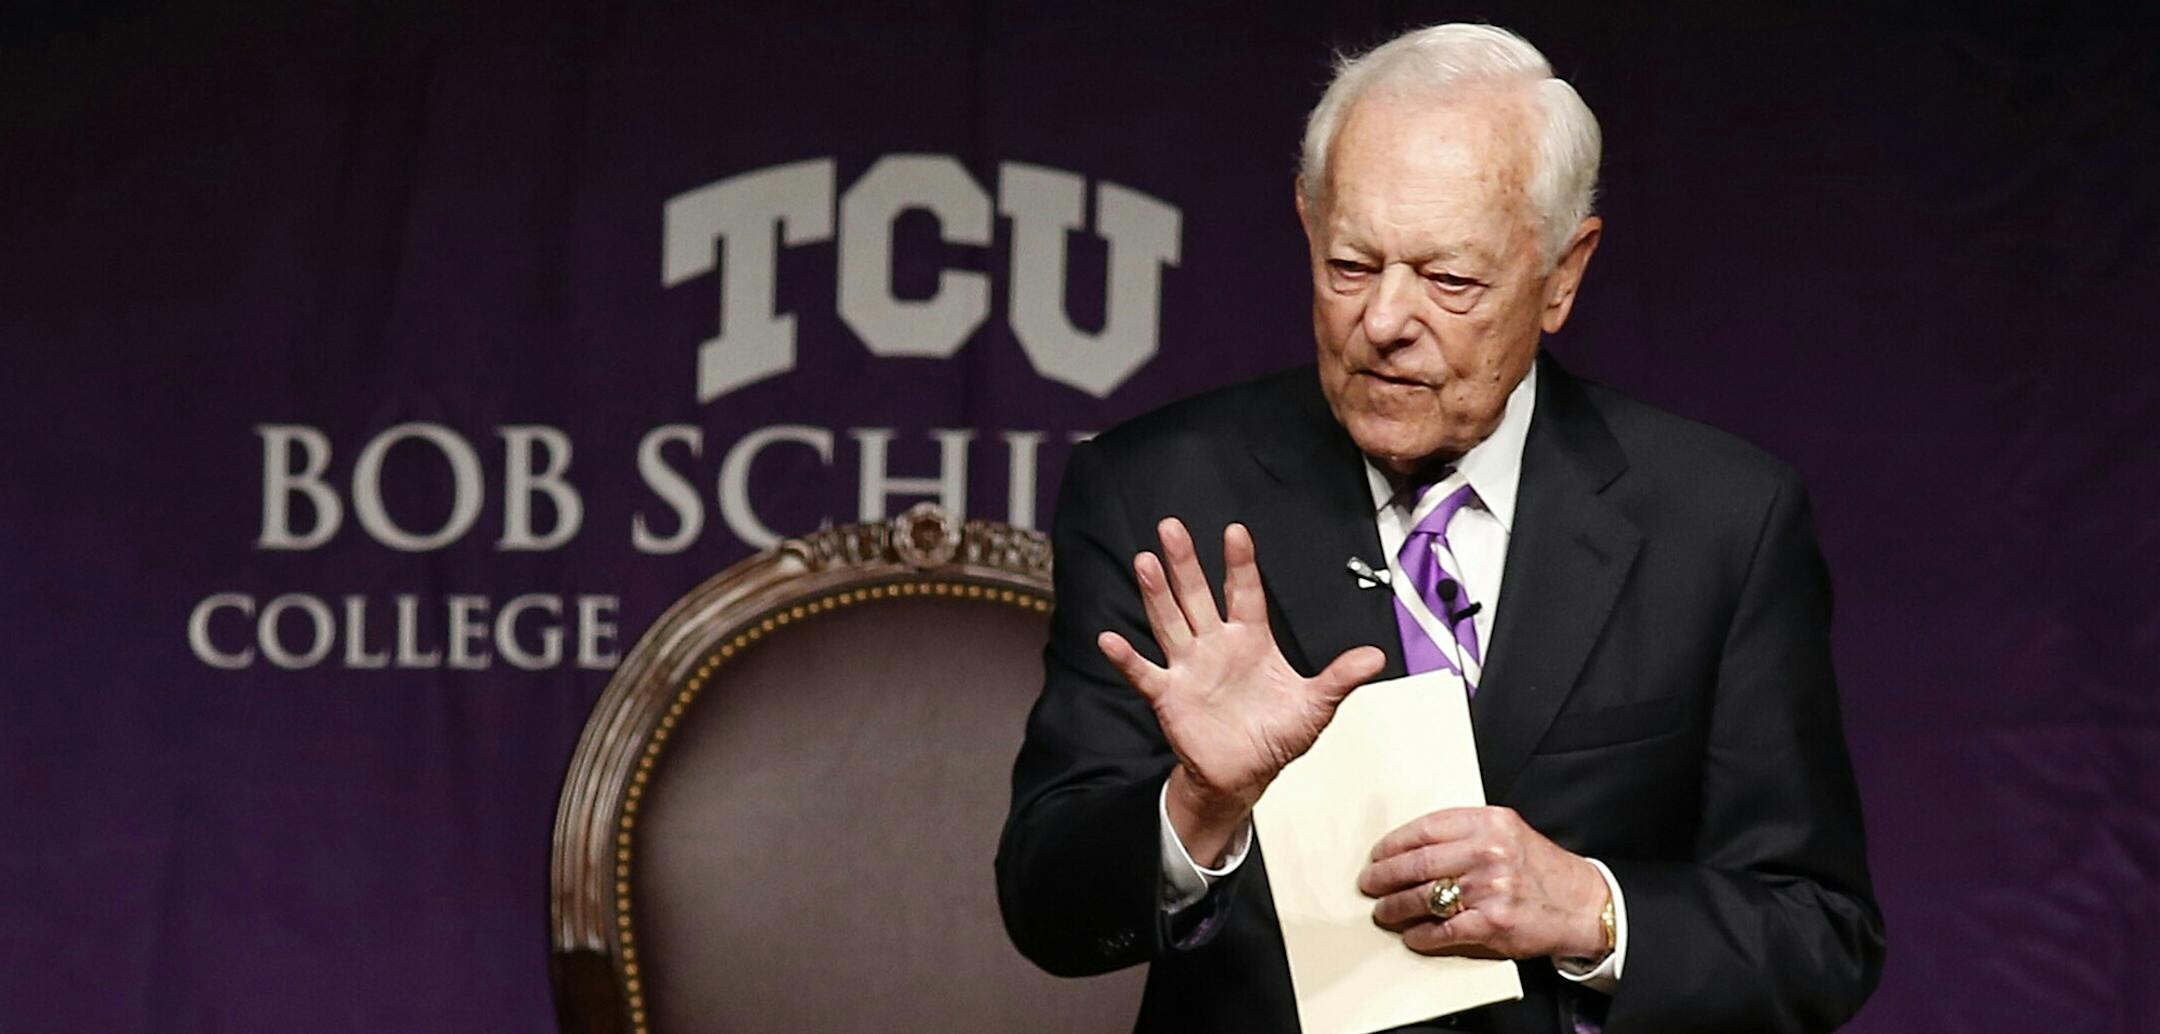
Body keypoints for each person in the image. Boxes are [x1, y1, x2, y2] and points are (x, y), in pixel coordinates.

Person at [995, 22, 1885, 1034]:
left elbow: (1822, 934)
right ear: (1304, 225)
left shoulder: (1721, 520)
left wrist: (1591, 907)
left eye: (1450, 280)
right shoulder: (1159, 492)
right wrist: (1199, 807)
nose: (1383, 320)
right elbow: (1048, 908)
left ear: (1562, 274)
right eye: (1349, 265)